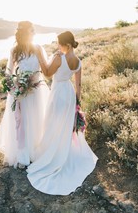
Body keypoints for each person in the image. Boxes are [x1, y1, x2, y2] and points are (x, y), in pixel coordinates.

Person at [27, 31, 98, 195]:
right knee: (65, 126)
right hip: (70, 94)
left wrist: (41, 55)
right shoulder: (78, 61)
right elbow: (78, 85)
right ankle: (62, 149)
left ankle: (53, 153)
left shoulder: (59, 58)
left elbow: (46, 72)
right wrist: (77, 103)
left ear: (65, 44)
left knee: (53, 123)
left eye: (59, 43)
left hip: (58, 93)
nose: (57, 46)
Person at [0, 21, 49, 167]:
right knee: (23, 123)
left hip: (36, 91)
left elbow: (46, 70)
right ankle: (24, 154)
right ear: (26, 33)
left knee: (36, 119)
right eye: (32, 30)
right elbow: (9, 72)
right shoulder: (14, 50)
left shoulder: (38, 48)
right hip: (20, 93)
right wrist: (15, 87)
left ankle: (36, 151)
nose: (34, 33)